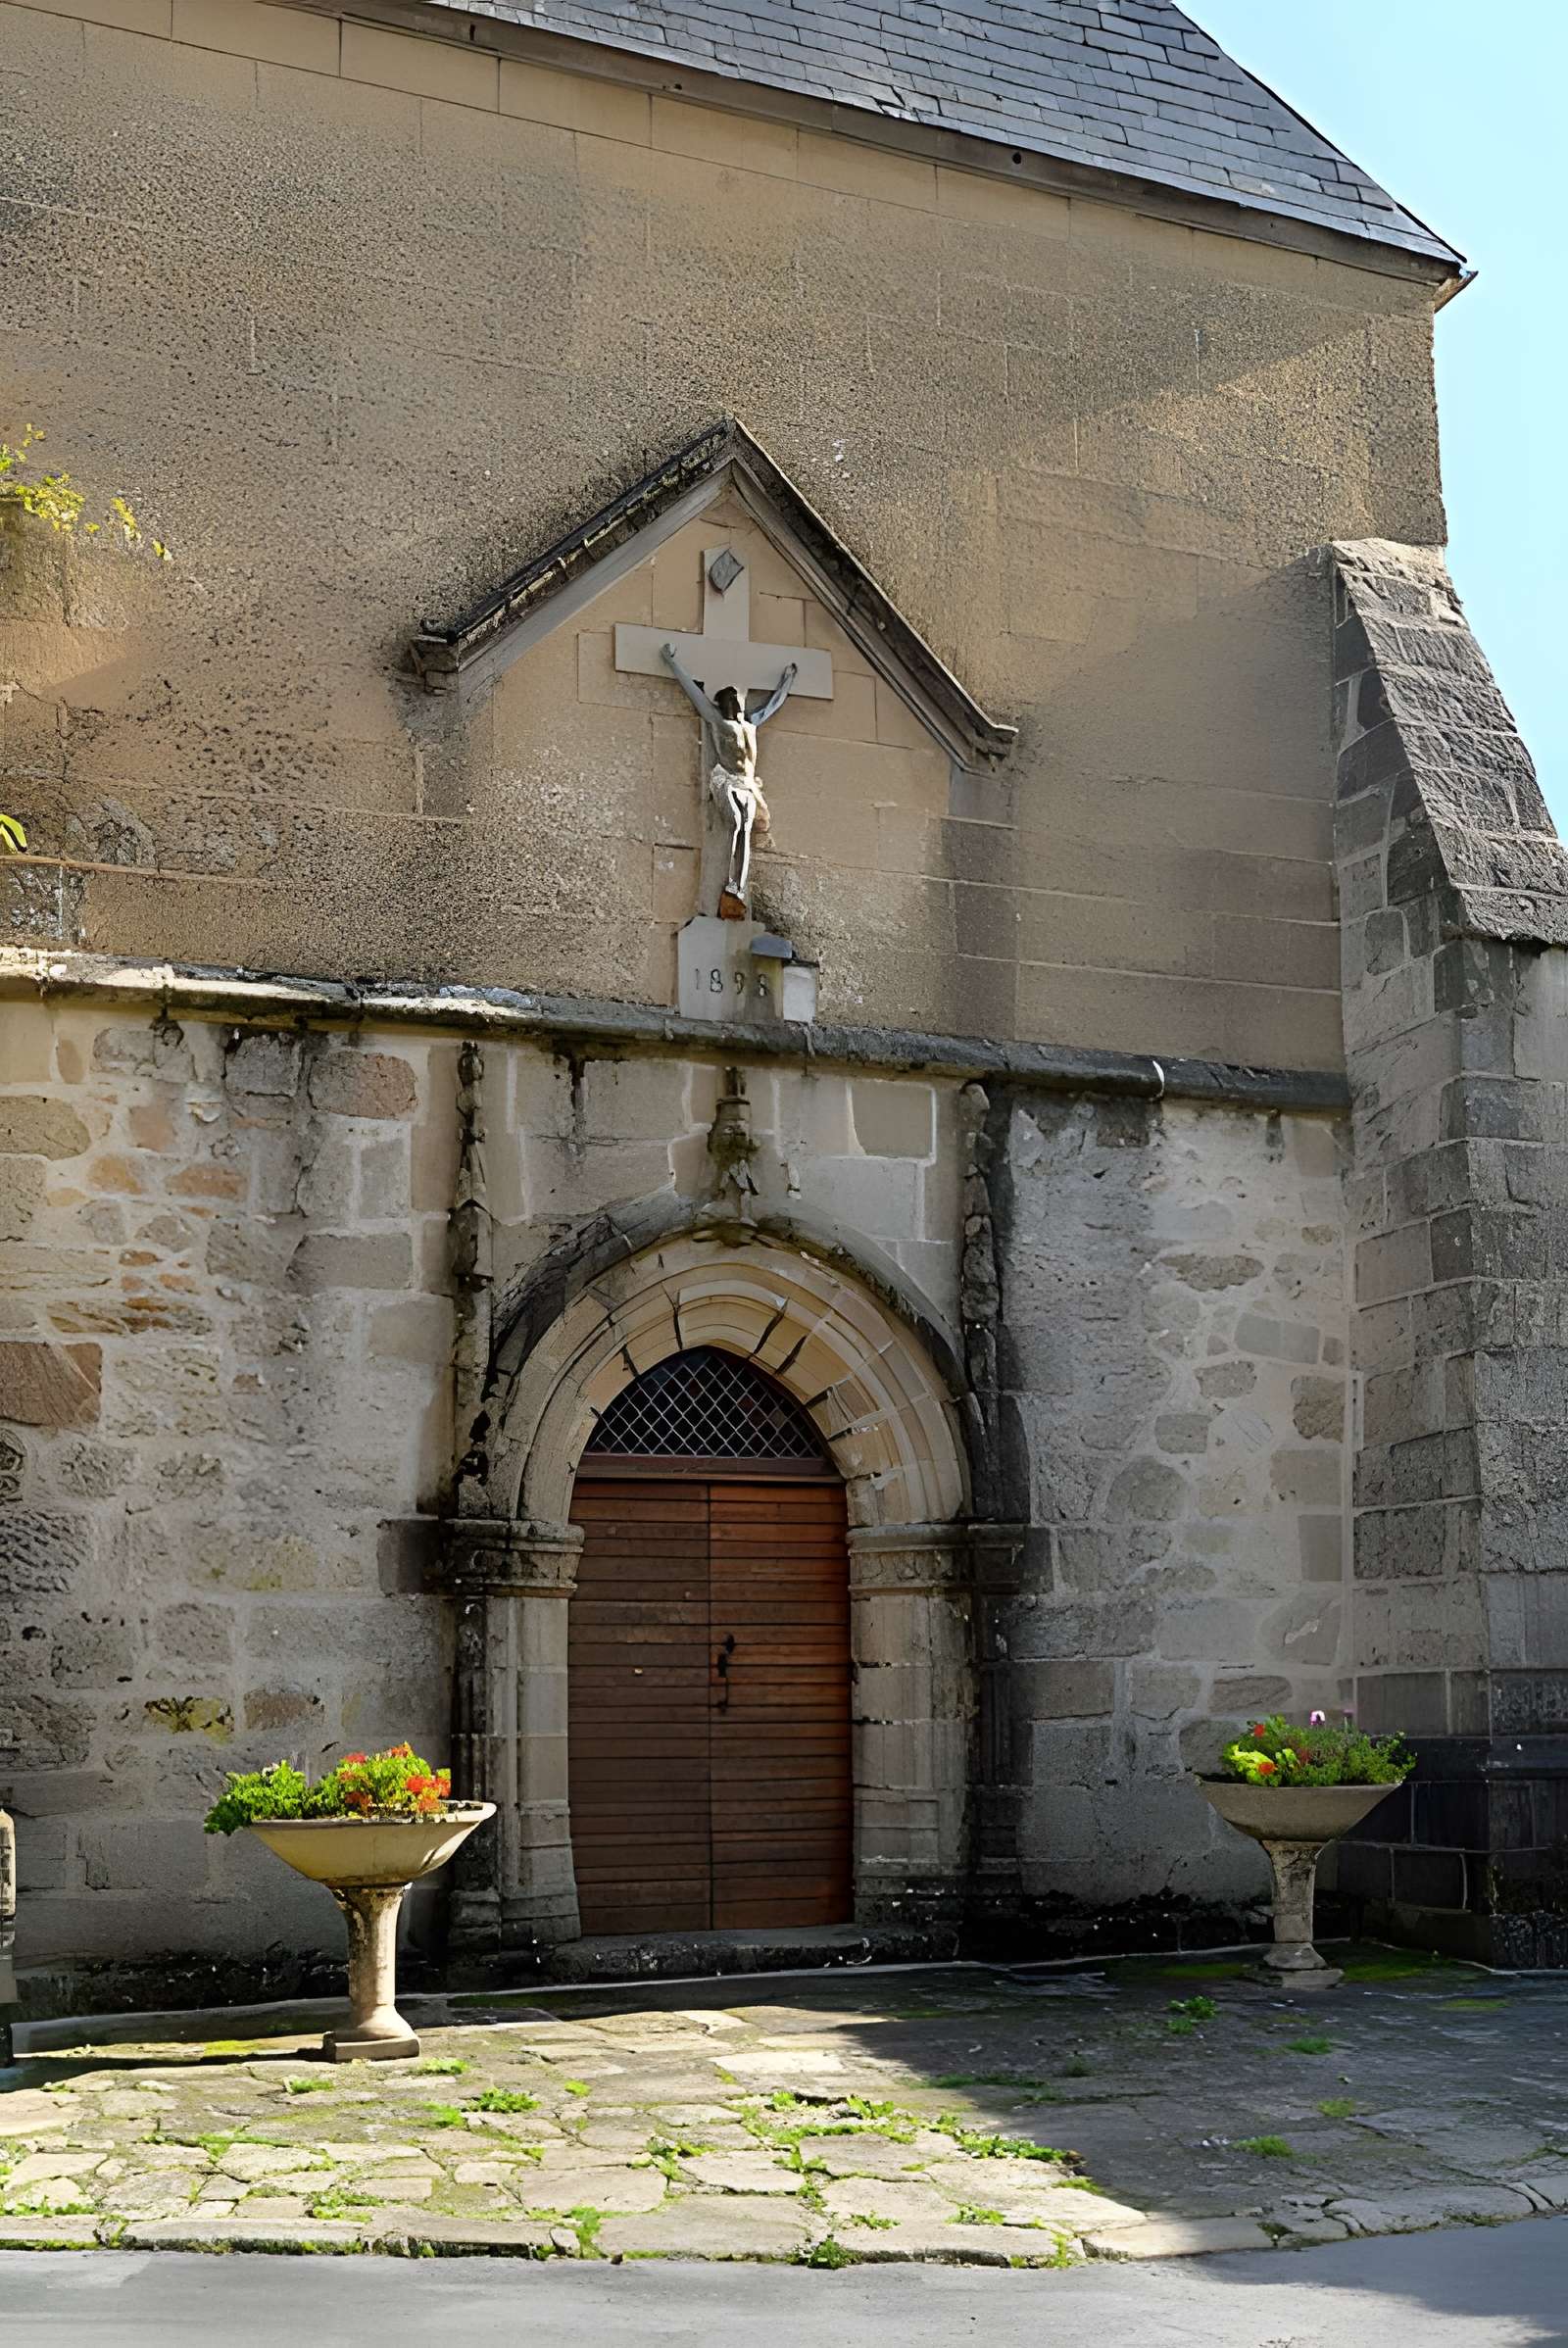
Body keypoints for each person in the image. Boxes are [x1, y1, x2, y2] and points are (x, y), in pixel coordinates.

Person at [662, 642, 797, 915]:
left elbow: (774, 704)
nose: (735, 703)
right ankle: (726, 883)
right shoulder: (717, 720)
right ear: (722, 704)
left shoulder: (751, 723)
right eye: (730, 699)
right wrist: (672, 662)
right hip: (726, 779)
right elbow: (693, 693)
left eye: (737, 699)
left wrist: (787, 681)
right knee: (734, 824)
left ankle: (738, 887)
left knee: (745, 830)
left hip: (747, 783)